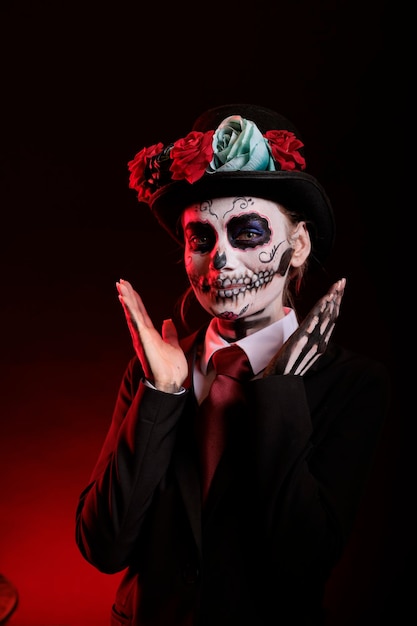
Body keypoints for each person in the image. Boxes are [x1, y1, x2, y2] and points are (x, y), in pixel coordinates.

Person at [75, 104, 390, 625]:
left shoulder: (353, 385)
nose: (219, 258)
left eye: (246, 233)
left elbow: (301, 563)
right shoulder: (155, 374)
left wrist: (280, 391)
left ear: (299, 244)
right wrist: (163, 395)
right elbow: (103, 547)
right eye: (201, 238)